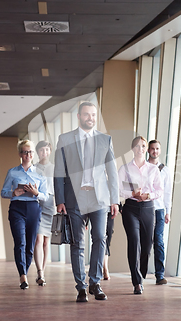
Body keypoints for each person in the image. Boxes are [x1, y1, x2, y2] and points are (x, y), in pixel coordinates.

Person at [54, 101, 119, 303]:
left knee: (100, 238)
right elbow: (58, 172)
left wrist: (114, 200)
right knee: (77, 243)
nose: (90, 118)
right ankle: (81, 287)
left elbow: (112, 172)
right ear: (79, 117)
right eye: (86, 114)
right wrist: (60, 199)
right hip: (75, 198)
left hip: (99, 198)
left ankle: (95, 283)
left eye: (93, 115)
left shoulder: (105, 139)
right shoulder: (65, 139)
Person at [1, 140, 48, 290]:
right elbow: (3, 192)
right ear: (20, 154)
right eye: (25, 152)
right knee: (20, 242)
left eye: (30, 152)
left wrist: (36, 193)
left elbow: (45, 196)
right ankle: (22, 275)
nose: (28, 155)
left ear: (33, 154)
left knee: (30, 245)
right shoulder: (12, 172)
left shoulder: (40, 173)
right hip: (17, 208)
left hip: (34, 208)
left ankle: (25, 273)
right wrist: (13, 192)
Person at [118, 136, 163, 294]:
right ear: (133, 149)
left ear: (146, 149)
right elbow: (118, 189)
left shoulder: (153, 169)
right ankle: (137, 282)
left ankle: (141, 274)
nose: (141, 149)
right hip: (130, 208)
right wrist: (132, 193)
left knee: (147, 246)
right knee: (134, 242)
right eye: (137, 146)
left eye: (143, 146)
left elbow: (159, 190)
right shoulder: (125, 169)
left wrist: (148, 196)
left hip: (148, 208)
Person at [147, 140, 172, 285]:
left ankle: (159, 275)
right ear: (148, 150)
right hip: (146, 209)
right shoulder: (143, 168)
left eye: (157, 149)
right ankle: (140, 274)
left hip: (160, 210)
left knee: (159, 241)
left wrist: (168, 211)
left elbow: (168, 192)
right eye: (152, 149)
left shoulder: (165, 170)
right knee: (145, 242)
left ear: (160, 151)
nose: (154, 151)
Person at [33, 140, 55, 286]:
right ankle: (39, 271)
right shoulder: (33, 169)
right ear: (37, 152)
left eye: (47, 150)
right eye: (41, 150)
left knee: (47, 241)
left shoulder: (55, 168)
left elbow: (59, 188)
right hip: (37, 203)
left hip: (51, 204)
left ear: (50, 151)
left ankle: (43, 272)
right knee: (38, 239)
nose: (44, 153)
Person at [103, 212, 114, 280]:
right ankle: (105, 268)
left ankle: (103, 266)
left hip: (110, 210)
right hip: (98, 208)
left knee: (109, 234)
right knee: (102, 237)